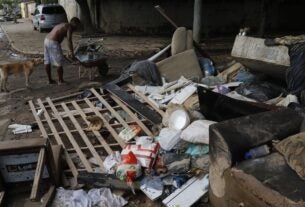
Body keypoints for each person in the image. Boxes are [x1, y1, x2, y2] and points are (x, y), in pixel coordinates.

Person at [44, 17, 81, 84]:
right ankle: (60, 81)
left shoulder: (63, 24)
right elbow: (69, 40)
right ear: (74, 23)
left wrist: (69, 51)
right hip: (53, 42)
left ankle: (50, 80)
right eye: (77, 25)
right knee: (59, 62)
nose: (77, 28)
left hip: (46, 40)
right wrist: (72, 52)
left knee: (47, 61)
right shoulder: (69, 27)